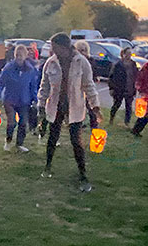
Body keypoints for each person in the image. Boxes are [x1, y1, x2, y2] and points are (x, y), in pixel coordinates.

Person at [38, 33, 101, 192]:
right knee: (53, 137)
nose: (52, 50)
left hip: (75, 106)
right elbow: (44, 86)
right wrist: (41, 105)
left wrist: (95, 106)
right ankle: (48, 166)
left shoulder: (81, 62)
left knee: (76, 141)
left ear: (64, 47)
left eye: (55, 47)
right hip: (56, 106)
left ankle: (82, 173)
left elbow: (89, 85)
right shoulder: (51, 63)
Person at [0, 44, 39, 153]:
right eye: (17, 55)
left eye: (21, 55)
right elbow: (0, 83)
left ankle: (19, 144)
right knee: (12, 122)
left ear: (25, 56)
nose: (19, 57)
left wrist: (35, 99)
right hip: (10, 99)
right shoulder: (8, 68)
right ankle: (8, 140)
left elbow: (33, 86)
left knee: (23, 123)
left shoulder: (30, 69)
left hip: (24, 100)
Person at [108, 47, 138, 127]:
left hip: (130, 87)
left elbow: (136, 75)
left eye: (130, 54)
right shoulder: (118, 65)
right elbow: (112, 77)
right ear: (123, 54)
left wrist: (135, 87)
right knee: (117, 104)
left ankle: (127, 122)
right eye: (127, 54)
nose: (129, 55)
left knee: (129, 106)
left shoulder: (133, 64)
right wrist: (112, 88)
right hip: (119, 88)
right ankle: (111, 118)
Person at [74, 40, 99, 129]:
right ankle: (79, 124)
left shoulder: (90, 61)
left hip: (87, 86)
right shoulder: (74, 61)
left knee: (91, 106)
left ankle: (94, 125)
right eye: (80, 50)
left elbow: (94, 72)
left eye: (84, 50)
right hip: (77, 87)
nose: (82, 52)